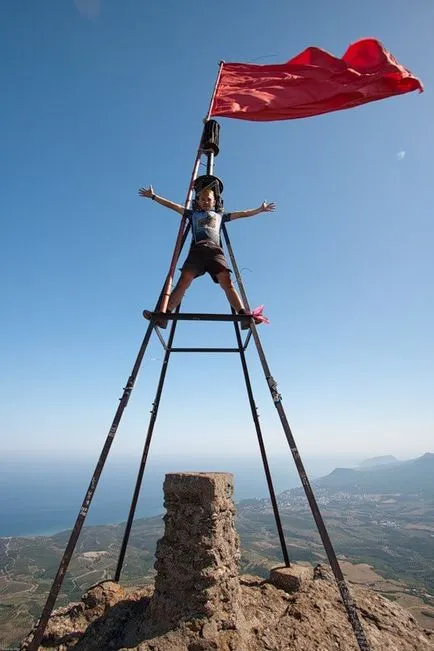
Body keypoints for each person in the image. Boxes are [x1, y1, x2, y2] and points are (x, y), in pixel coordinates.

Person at [139, 183, 275, 328]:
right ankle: (164, 315)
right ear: (198, 201)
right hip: (197, 251)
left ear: (214, 201)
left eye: (208, 199)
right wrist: (153, 196)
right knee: (183, 281)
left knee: (227, 282)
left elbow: (242, 213)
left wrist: (260, 209)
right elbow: (173, 206)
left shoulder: (219, 216)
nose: (205, 202)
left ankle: (243, 316)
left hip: (215, 251)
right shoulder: (193, 215)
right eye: (202, 199)